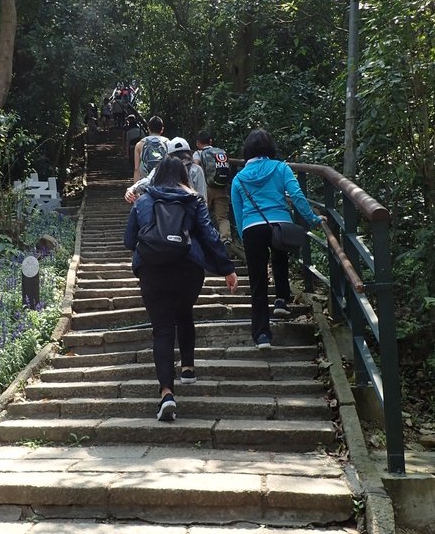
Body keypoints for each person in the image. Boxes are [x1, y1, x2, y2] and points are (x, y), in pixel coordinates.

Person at [124, 156, 238, 421]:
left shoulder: (142, 200)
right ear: (183, 176)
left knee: (162, 328)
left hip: (152, 268)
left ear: (157, 175)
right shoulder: (193, 199)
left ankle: (166, 394)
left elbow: (129, 240)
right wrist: (227, 268)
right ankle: (187, 368)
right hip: (189, 268)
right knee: (184, 311)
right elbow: (209, 234)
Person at [230, 128, 324, 350]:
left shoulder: (239, 178)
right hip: (280, 224)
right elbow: (298, 196)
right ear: (270, 148)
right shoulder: (281, 168)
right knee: (280, 256)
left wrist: (244, 235)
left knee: (258, 281)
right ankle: (282, 299)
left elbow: (237, 211)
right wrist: (312, 219)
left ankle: (262, 335)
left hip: (253, 227)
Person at [124, 136, 207, 203]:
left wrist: (133, 188)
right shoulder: (196, 170)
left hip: (165, 215)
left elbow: (147, 181)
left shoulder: (162, 168)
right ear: (189, 153)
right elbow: (202, 197)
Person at [194, 130, 232, 246]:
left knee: (204, 215)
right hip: (222, 188)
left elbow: (195, 169)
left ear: (197, 143)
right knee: (223, 218)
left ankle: (207, 241)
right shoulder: (221, 152)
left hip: (206, 189)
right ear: (211, 141)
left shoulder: (198, 154)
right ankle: (226, 240)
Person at [132, 116, 168, 183]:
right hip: (163, 183)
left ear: (148, 129)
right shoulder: (168, 143)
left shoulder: (139, 144)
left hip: (146, 183)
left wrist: (135, 189)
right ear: (162, 129)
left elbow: (136, 169)